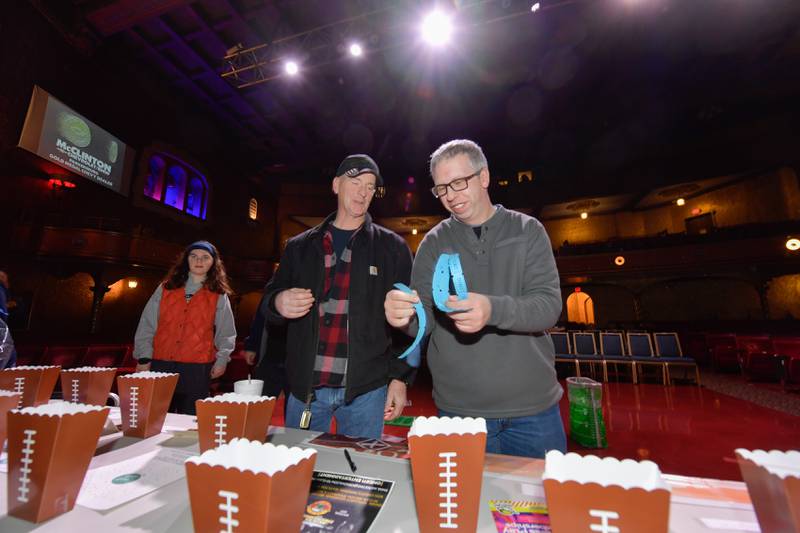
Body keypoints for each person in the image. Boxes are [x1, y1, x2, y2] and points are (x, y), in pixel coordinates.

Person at [384, 139, 566, 458]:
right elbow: (422, 322)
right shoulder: (433, 243)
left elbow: (548, 306)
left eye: (458, 183)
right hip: (459, 411)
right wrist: (405, 317)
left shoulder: (528, 230)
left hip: (533, 409)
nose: (451, 196)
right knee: (462, 506)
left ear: (484, 177)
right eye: (442, 188)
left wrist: (492, 309)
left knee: (538, 507)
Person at [260, 154, 414, 440]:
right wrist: (278, 302)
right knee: (297, 472)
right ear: (335, 185)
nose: (363, 192)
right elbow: (268, 302)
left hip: (366, 391)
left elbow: (411, 322)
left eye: (370, 186)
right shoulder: (299, 247)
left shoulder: (393, 247)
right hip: (306, 389)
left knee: (358, 479)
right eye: (355, 182)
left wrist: (399, 377)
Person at [133, 240, 236, 415]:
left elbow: (226, 332)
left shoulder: (218, 294)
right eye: (194, 256)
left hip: (197, 367)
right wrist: (144, 358)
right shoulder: (166, 288)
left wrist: (222, 359)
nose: (199, 261)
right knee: (156, 416)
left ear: (213, 263)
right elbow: (147, 324)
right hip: (161, 362)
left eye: (205, 257)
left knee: (189, 420)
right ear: (186, 260)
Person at [243, 293, 290, 404]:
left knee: (294, 404)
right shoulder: (274, 285)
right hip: (270, 355)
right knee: (263, 402)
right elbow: (260, 319)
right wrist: (252, 346)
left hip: (297, 358)